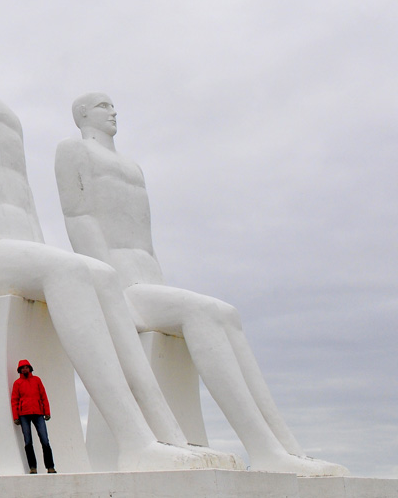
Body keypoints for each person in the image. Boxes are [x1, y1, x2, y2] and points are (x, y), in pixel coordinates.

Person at [0, 24, 238, 472]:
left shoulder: (7, 115)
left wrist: (45, 250)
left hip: (23, 243)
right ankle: (134, 439)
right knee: (74, 273)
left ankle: (166, 433)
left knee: (100, 275)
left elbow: (21, 190)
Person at [54, 93, 348, 476]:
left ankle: (285, 448)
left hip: (148, 278)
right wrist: (112, 290)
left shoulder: (132, 167)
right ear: (82, 114)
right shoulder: (74, 151)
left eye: (113, 105)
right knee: (204, 312)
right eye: (102, 105)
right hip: (122, 284)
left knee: (226, 313)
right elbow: (80, 219)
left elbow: (144, 237)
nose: (113, 111)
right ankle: (263, 448)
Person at [11, 360, 55, 473]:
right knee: (28, 441)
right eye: (22, 368)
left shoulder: (37, 380)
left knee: (45, 440)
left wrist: (47, 411)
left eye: (26, 367)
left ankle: (50, 467)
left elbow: (43, 396)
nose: (25, 369)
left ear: (30, 368)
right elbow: (14, 400)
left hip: (38, 413)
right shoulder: (17, 383)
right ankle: (33, 468)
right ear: (20, 370)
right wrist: (16, 416)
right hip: (24, 414)